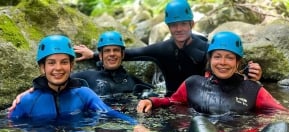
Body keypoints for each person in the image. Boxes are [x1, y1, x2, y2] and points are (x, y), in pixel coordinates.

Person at [135, 31, 289, 132]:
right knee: (200, 122)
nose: (222, 62)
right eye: (217, 57)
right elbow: (172, 101)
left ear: (237, 62)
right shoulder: (193, 83)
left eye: (229, 58)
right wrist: (152, 101)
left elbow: (283, 112)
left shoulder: (252, 89)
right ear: (210, 60)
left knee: (283, 127)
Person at [74, 0, 262, 97]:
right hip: (171, 101)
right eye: (174, 25)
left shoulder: (207, 49)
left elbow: (231, 68)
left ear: (192, 24)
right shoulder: (161, 49)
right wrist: (94, 54)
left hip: (201, 101)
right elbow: (128, 54)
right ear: (168, 26)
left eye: (183, 24)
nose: (178, 29)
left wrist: (252, 74)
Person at [8, 34, 148, 132]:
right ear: (42, 68)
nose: (58, 68)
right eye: (51, 63)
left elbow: (109, 112)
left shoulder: (84, 94)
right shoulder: (27, 102)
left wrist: (135, 124)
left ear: (71, 66)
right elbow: (10, 128)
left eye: (64, 62)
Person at [71, 31, 154, 98]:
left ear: (123, 55)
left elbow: (156, 94)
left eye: (116, 50)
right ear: (100, 55)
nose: (112, 54)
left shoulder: (134, 82)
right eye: (107, 51)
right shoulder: (86, 78)